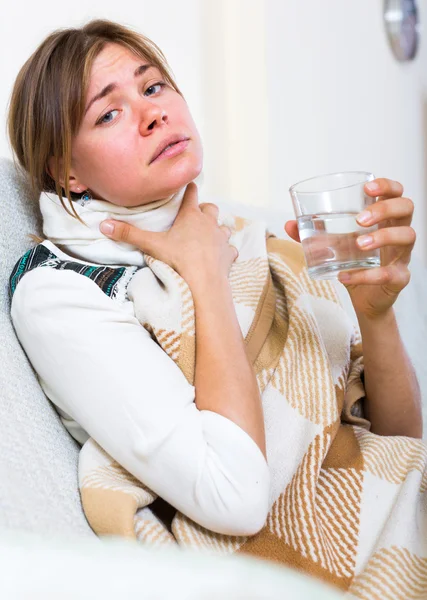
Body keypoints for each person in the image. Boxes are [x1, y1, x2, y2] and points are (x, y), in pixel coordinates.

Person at [7, 18, 425, 593]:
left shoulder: (233, 233)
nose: (152, 113)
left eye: (153, 87)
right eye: (108, 112)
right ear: (66, 172)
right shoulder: (59, 290)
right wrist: (202, 272)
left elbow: (398, 443)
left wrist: (375, 315)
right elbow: (237, 497)